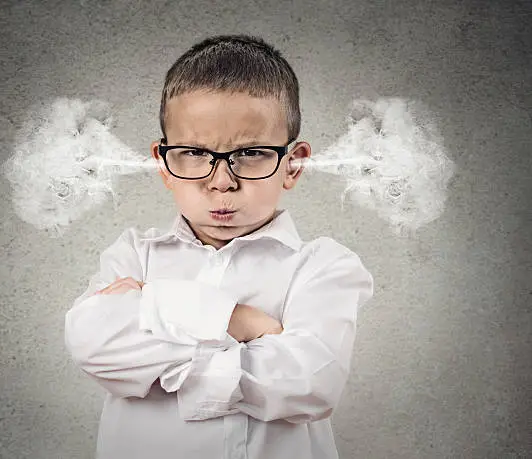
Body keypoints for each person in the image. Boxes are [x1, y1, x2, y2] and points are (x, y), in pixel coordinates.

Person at [64, 34, 374, 459]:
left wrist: (154, 310)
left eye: (250, 152)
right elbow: (91, 341)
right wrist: (237, 321)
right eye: (194, 152)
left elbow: (309, 384)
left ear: (294, 164)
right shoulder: (134, 253)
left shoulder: (324, 266)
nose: (222, 181)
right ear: (163, 164)